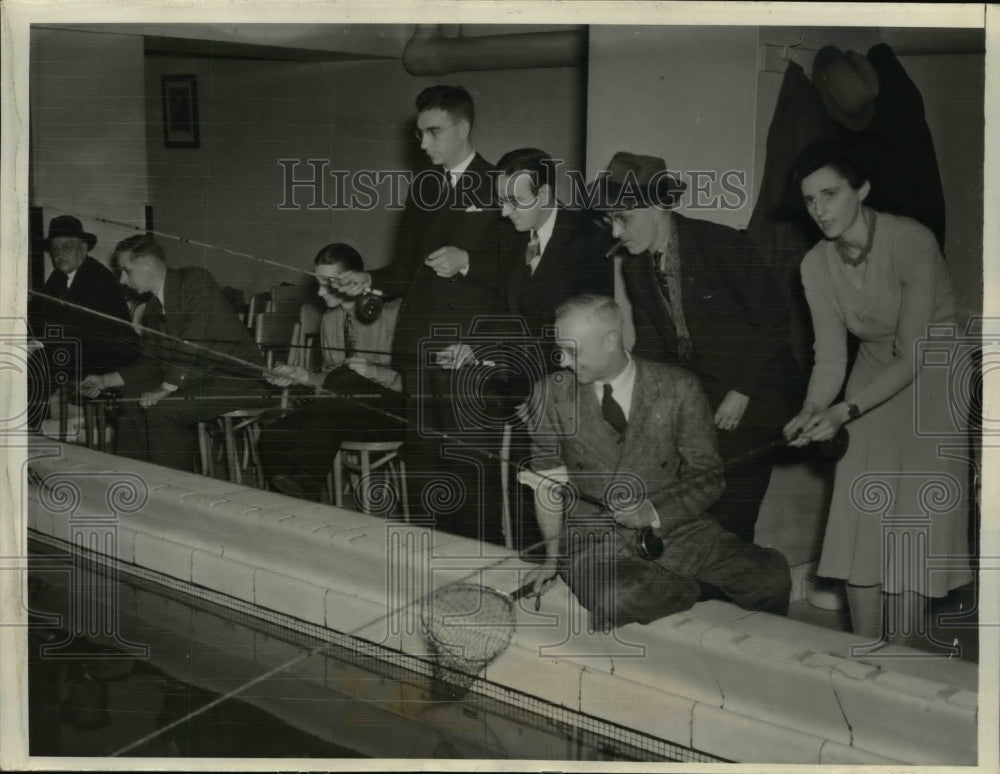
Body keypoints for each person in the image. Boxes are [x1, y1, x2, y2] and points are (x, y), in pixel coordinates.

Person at [783, 142, 972, 645]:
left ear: (862, 189)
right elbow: (830, 357)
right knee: (861, 511)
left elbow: (911, 354)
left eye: (830, 194)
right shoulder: (815, 264)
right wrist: (812, 409)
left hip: (932, 372)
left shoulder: (912, 241)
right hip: (871, 368)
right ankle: (865, 649)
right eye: (810, 199)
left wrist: (844, 410)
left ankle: (899, 655)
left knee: (914, 516)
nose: (819, 209)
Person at [525, 294, 791, 631]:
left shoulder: (679, 387)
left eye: (573, 351)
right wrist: (552, 557)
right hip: (593, 540)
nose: (563, 360)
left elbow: (709, 476)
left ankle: (685, 586)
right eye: (560, 350)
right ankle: (703, 590)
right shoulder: (549, 394)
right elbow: (547, 485)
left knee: (770, 579)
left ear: (610, 341)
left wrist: (653, 511)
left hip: (678, 529)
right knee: (615, 598)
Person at [590, 152, 795, 544]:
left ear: (657, 207)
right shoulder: (635, 266)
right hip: (702, 401)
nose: (616, 232)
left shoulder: (720, 244)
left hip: (753, 395)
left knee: (733, 520)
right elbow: (651, 345)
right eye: (610, 220)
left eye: (623, 218)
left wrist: (742, 389)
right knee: (694, 513)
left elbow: (774, 319)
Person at [334, 85, 506, 542]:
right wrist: (367, 280)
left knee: (469, 464)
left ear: (463, 129)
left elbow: (519, 269)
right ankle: (430, 557)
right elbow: (405, 270)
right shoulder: (424, 188)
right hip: (421, 348)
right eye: (420, 133)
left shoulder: (500, 184)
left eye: (434, 132)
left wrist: (468, 261)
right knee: (425, 461)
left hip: (468, 350)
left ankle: (480, 561)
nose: (424, 143)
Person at [80, 234, 267, 472]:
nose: (123, 280)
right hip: (199, 380)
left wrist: (166, 388)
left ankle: (174, 484)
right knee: (130, 400)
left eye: (126, 271)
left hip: (238, 381)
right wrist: (106, 380)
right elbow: (151, 361)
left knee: (163, 409)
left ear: (147, 263)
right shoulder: (153, 308)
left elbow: (195, 341)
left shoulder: (196, 281)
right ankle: (135, 476)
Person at [257, 243, 405, 502]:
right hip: (341, 413)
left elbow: (416, 381)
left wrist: (373, 371)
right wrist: (302, 375)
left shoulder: (393, 312)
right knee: (272, 436)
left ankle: (307, 475)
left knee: (343, 378)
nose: (320, 292)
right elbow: (330, 380)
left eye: (329, 283)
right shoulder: (330, 319)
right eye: (319, 283)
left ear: (354, 280)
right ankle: (301, 505)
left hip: (392, 415)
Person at [27, 216, 140, 428]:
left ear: (83, 249)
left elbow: (84, 330)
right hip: (78, 349)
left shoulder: (98, 278)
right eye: (55, 249)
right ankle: (31, 426)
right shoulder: (59, 277)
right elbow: (40, 313)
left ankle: (31, 429)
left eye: (66, 247)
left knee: (36, 366)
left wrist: (42, 345)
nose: (59, 254)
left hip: (107, 353)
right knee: (29, 360)